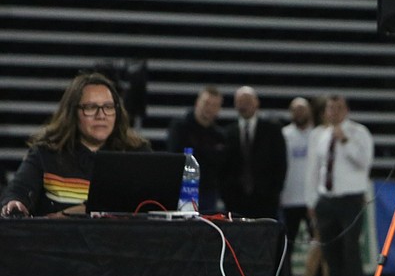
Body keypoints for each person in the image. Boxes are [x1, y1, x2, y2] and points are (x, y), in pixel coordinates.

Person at [1, 72, 150, 217]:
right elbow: (17, 192)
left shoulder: (137, 154)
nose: (101, 115)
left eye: (108, 107)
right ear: (73, 112)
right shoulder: (46, 153)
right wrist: (14, 203)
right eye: (91, 107)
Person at [306, 95, 373, 276]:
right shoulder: (320, 135)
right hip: (327, 199)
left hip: (350, 199)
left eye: (338, 108)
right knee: (329, 250)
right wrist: (312, 200)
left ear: (346, 110)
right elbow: (315, 169)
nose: (333, 112)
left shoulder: (358, 132)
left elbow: (364, 162)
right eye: (330, 108)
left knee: (350, 248)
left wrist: (345, 140)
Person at [221, 86, 288, 220]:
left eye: (247, 101)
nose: (244, 105)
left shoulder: (272, 130)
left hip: (266, 198)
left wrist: (275, 191)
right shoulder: (227, 132)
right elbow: (223, 167)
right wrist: (226, 194)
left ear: (256, 102)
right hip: (235, 199)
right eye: (240, 101)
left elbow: (281, 163)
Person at [166, 86, 227, 212]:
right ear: (197, 102)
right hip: (181, 189)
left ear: (219, 109)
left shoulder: (220, 136)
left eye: (214, 105)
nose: (209, 108)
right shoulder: (180, 128)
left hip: (208, 192)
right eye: (206, 103)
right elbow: (174, 157)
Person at [281, 97, 317, 276]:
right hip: (290, 198)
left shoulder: (318, 134)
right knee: (289, 246)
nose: (299, 113)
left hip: (312, 198)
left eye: (302, 109)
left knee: (320, 246)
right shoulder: (285, 135)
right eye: (295, 109)